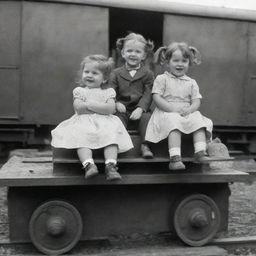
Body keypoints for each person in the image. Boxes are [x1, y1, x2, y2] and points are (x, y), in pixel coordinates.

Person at [51, 55, 133, 180]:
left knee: (112, 136)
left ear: (104, 78)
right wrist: (100, 107)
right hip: (84, 122)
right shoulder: (79, 91)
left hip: (105, 122)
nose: (89, 75)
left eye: (95, 73)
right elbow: (79, 108)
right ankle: (89, 165)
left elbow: (110, 109)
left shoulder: (108, 92)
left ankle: (110, 166)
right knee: (81, 137)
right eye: (86, 72)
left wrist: (88, 104)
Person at [145, 42, 213, 170]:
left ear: (189, 63)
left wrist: (191, 109)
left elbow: (196, 100)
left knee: (198, 120)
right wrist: (171, 109)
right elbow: (156, 97)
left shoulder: (191, 82)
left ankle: (200, 152)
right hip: (166, 112)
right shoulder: (162, 79)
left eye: (184, 61)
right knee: (173, 122)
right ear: (167, 61)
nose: (180, 64)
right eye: (175, 60)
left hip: (185, 112)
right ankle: (175, 158)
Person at [109, 33, 155, 159]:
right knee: (116, 120)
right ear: (123, 53)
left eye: (138, 52)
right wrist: (116, 102)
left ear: (144, 55)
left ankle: (145, 146)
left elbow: (148, 93)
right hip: (121, 108)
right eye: (129, 51)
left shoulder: (148, 74)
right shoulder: (116, 73)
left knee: (148, 118)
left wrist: (141, 108)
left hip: (139, 109)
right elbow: (111, 90)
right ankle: (118, 145)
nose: (133, 54)